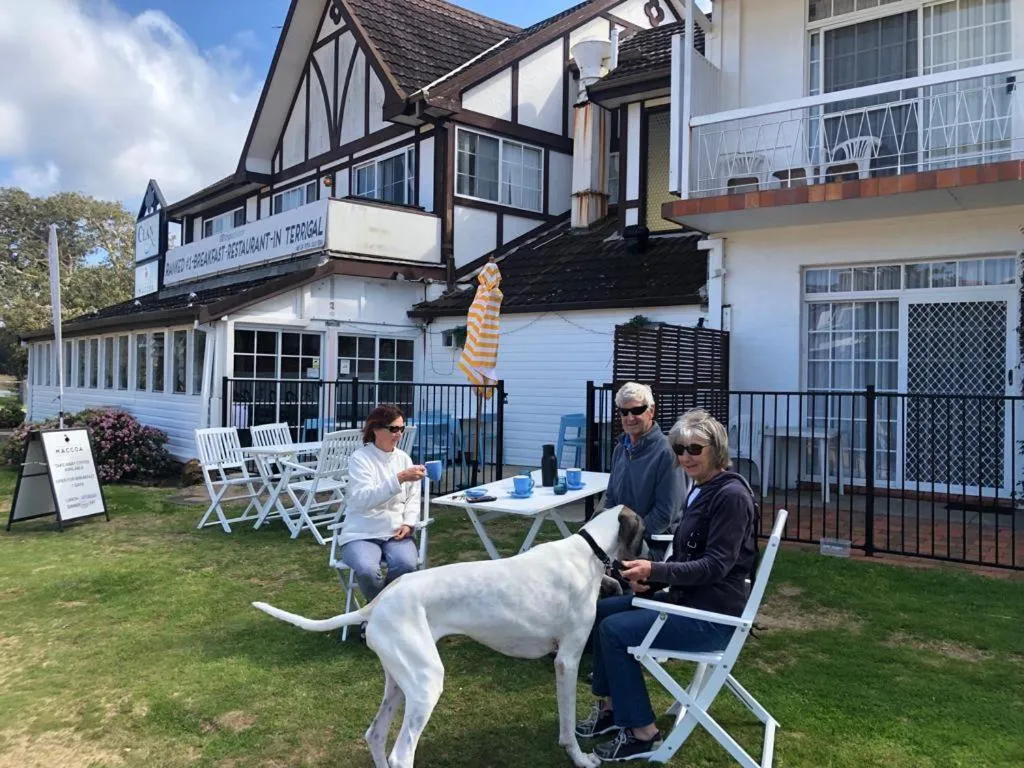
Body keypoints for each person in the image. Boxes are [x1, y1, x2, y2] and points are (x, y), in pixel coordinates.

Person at [576, 408, 759, 761]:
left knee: (615, 630)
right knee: (602, 612)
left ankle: (642, 731)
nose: (685, 457)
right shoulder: (704, 489)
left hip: (711, 617)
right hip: (689, 599)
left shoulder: (730, 497)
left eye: (695, 449)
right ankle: (613, 710)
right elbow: (690, 553)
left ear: (717, 450)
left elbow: (715, 565)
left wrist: (656, 571)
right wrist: (653, 583)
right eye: (679, 449)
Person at [336, 405, 426, 605]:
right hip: (362, 532)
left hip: (396, 531)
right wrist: (399, 478)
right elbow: (363, 499)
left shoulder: (404, 458)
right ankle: (379, 614)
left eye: (402, 429)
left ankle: (378, 615)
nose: (399, 434)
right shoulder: (360, 459)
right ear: (376, 429)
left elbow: (413, 497)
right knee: (368, 570)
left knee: (407, 565)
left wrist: (409, 523)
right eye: (393, 429)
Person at [603, 381, 683, 555]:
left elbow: (664, 516)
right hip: (620, 540)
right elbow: (610, 499)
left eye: (637, 410)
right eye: (624, 412)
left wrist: (626, 541)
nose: (630, 417)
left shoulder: (667, 453)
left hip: (652, 544)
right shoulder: (620, 449)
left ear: (651, 411)